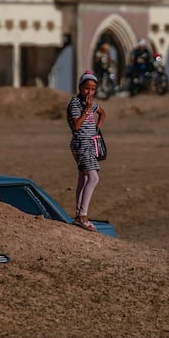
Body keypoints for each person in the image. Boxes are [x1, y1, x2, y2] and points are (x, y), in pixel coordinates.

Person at [67, 70, 107, 231]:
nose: (89, 92)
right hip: (80, 143)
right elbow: (76, 126)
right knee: (93, 177)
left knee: (83, 178)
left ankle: (79, 213)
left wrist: (97, 129)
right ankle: (82, 215)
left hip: (90, 143)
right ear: (80, 87)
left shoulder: (92, 103)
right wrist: (87, 110)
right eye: (86, 88)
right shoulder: (75, 104)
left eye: (92, 89)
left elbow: (102, 113)